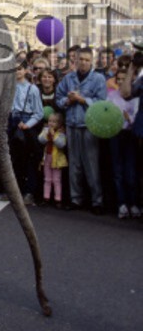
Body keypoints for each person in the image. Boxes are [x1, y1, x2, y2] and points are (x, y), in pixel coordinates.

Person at [57, 47, 107, 214]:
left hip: (89, 126)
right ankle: (75, 198)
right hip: (72, 124)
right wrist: (68, 101)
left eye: (87, 59)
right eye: (81, 59)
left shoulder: (98, 79)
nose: (83, 62)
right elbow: (59, 98)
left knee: (91, 165)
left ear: (91, 61)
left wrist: (83, 99)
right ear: (75, 60)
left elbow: (101, 103)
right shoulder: (68, 78)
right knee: (74, 164)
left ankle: (97, 201)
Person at [8, 59, 44, 205]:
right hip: (12, 122)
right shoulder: (8, 87)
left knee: (29, 160)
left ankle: (29, 192)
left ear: (25, 71)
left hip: (26, 123)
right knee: (13, 159)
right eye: (14, 69)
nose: (17, 71)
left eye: (19, 69)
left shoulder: (32, 89)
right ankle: (14, 191)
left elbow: (39, 112)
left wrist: (27, 125)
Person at [107, 67, 140, 218]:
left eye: (123, 79)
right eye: (118, 79)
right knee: (117, 170)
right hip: (115, 134)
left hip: (130, 134)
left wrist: (129, 119)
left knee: (131, 170)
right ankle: (121, 204)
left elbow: (137, 115)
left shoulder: (134, 95)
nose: (120, 82)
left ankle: (133, 203)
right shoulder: (112, 95)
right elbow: (105, 112)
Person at [37, 112, 68, 208]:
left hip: (57, 160)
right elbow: (40, 139)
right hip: (47, 158)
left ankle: (57, 199)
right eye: (50, 121)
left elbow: (62, 144)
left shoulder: (61, 133)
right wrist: (47, 134)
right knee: (47, 179)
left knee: (56, 180)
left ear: (59, 124)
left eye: (54, 122)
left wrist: (54, 136)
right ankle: (46, 198)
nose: (51, 123)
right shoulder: (46, 130)